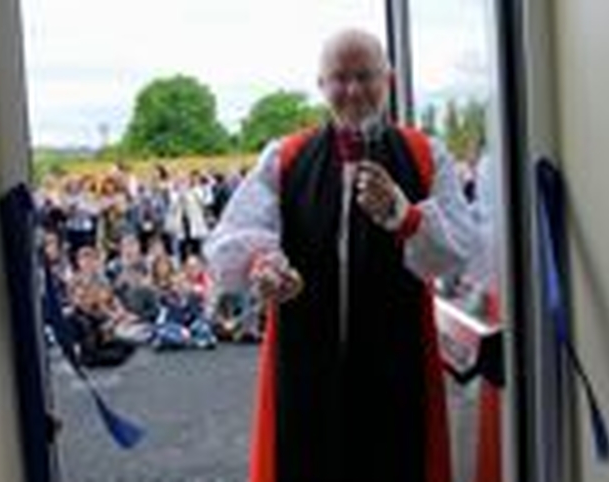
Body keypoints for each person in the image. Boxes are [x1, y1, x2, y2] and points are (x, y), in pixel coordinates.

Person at [203, 28, 481, 482]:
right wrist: (265, 267)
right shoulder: (285, 157)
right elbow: (236, 237)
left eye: (365, 76)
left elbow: (458, 253)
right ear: (321, 85)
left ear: (388, 80)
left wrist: (405, 217)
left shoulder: (427, 155)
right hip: (307, 362)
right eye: (340, 78)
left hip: (397, 362)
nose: (353, 90)